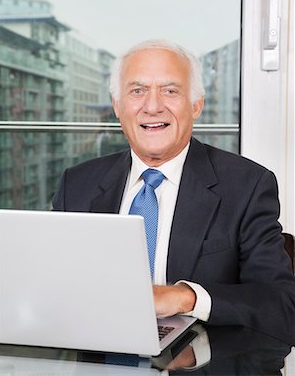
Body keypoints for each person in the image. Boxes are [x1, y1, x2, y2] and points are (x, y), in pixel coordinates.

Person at [52, 39, 295, 345]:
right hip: (96, 353)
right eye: (137, 90)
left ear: (196, 104)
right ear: (118, 105)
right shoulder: (76, 185)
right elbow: (52, 290)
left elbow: (282, 307)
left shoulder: (247, 186)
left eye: (170, 90)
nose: (152, 106)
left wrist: (186, 297)